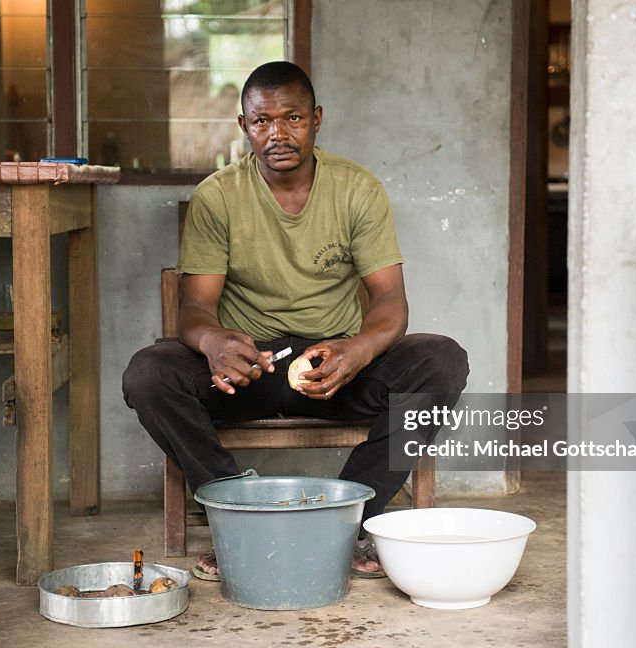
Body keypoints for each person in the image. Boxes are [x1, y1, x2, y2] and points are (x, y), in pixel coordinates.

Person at [123, 61, 468, 580]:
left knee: (441, 361)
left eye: (293, 118)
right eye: (262, 121)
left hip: (334, 368)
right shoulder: (219, 195)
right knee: (149, 374)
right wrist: (215, 342)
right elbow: (193, 308)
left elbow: (390, 300)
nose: (277, 134)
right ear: (244, 126)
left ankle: (351, 524)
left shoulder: (356, 189)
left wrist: (358, 350)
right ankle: (240, 516)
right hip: (248, 370)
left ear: (317, 119)